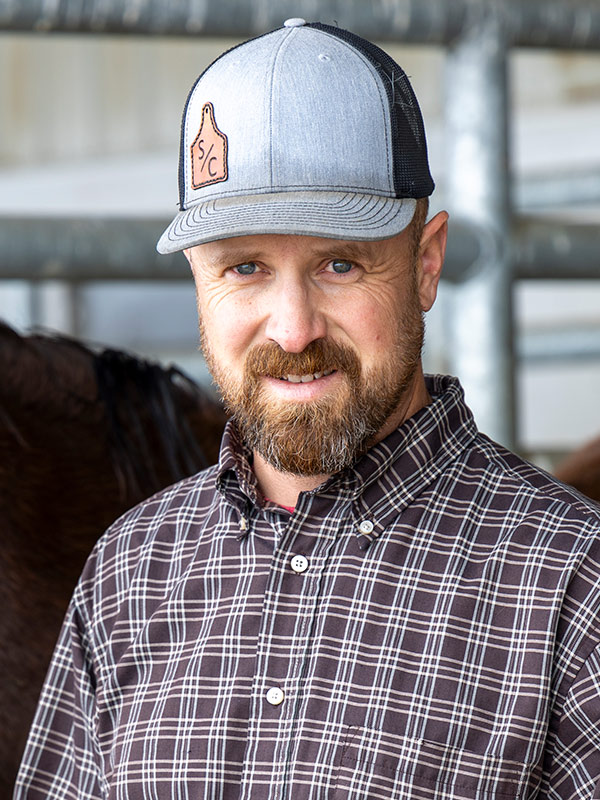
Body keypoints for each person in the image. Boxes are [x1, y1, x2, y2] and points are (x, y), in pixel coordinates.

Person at [14, 19, 600, 800]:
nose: (293, 331)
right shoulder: (130, 567)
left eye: (339, 263)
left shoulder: (570, 582)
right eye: (245, 267)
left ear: (426, 266)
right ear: (198, 278)